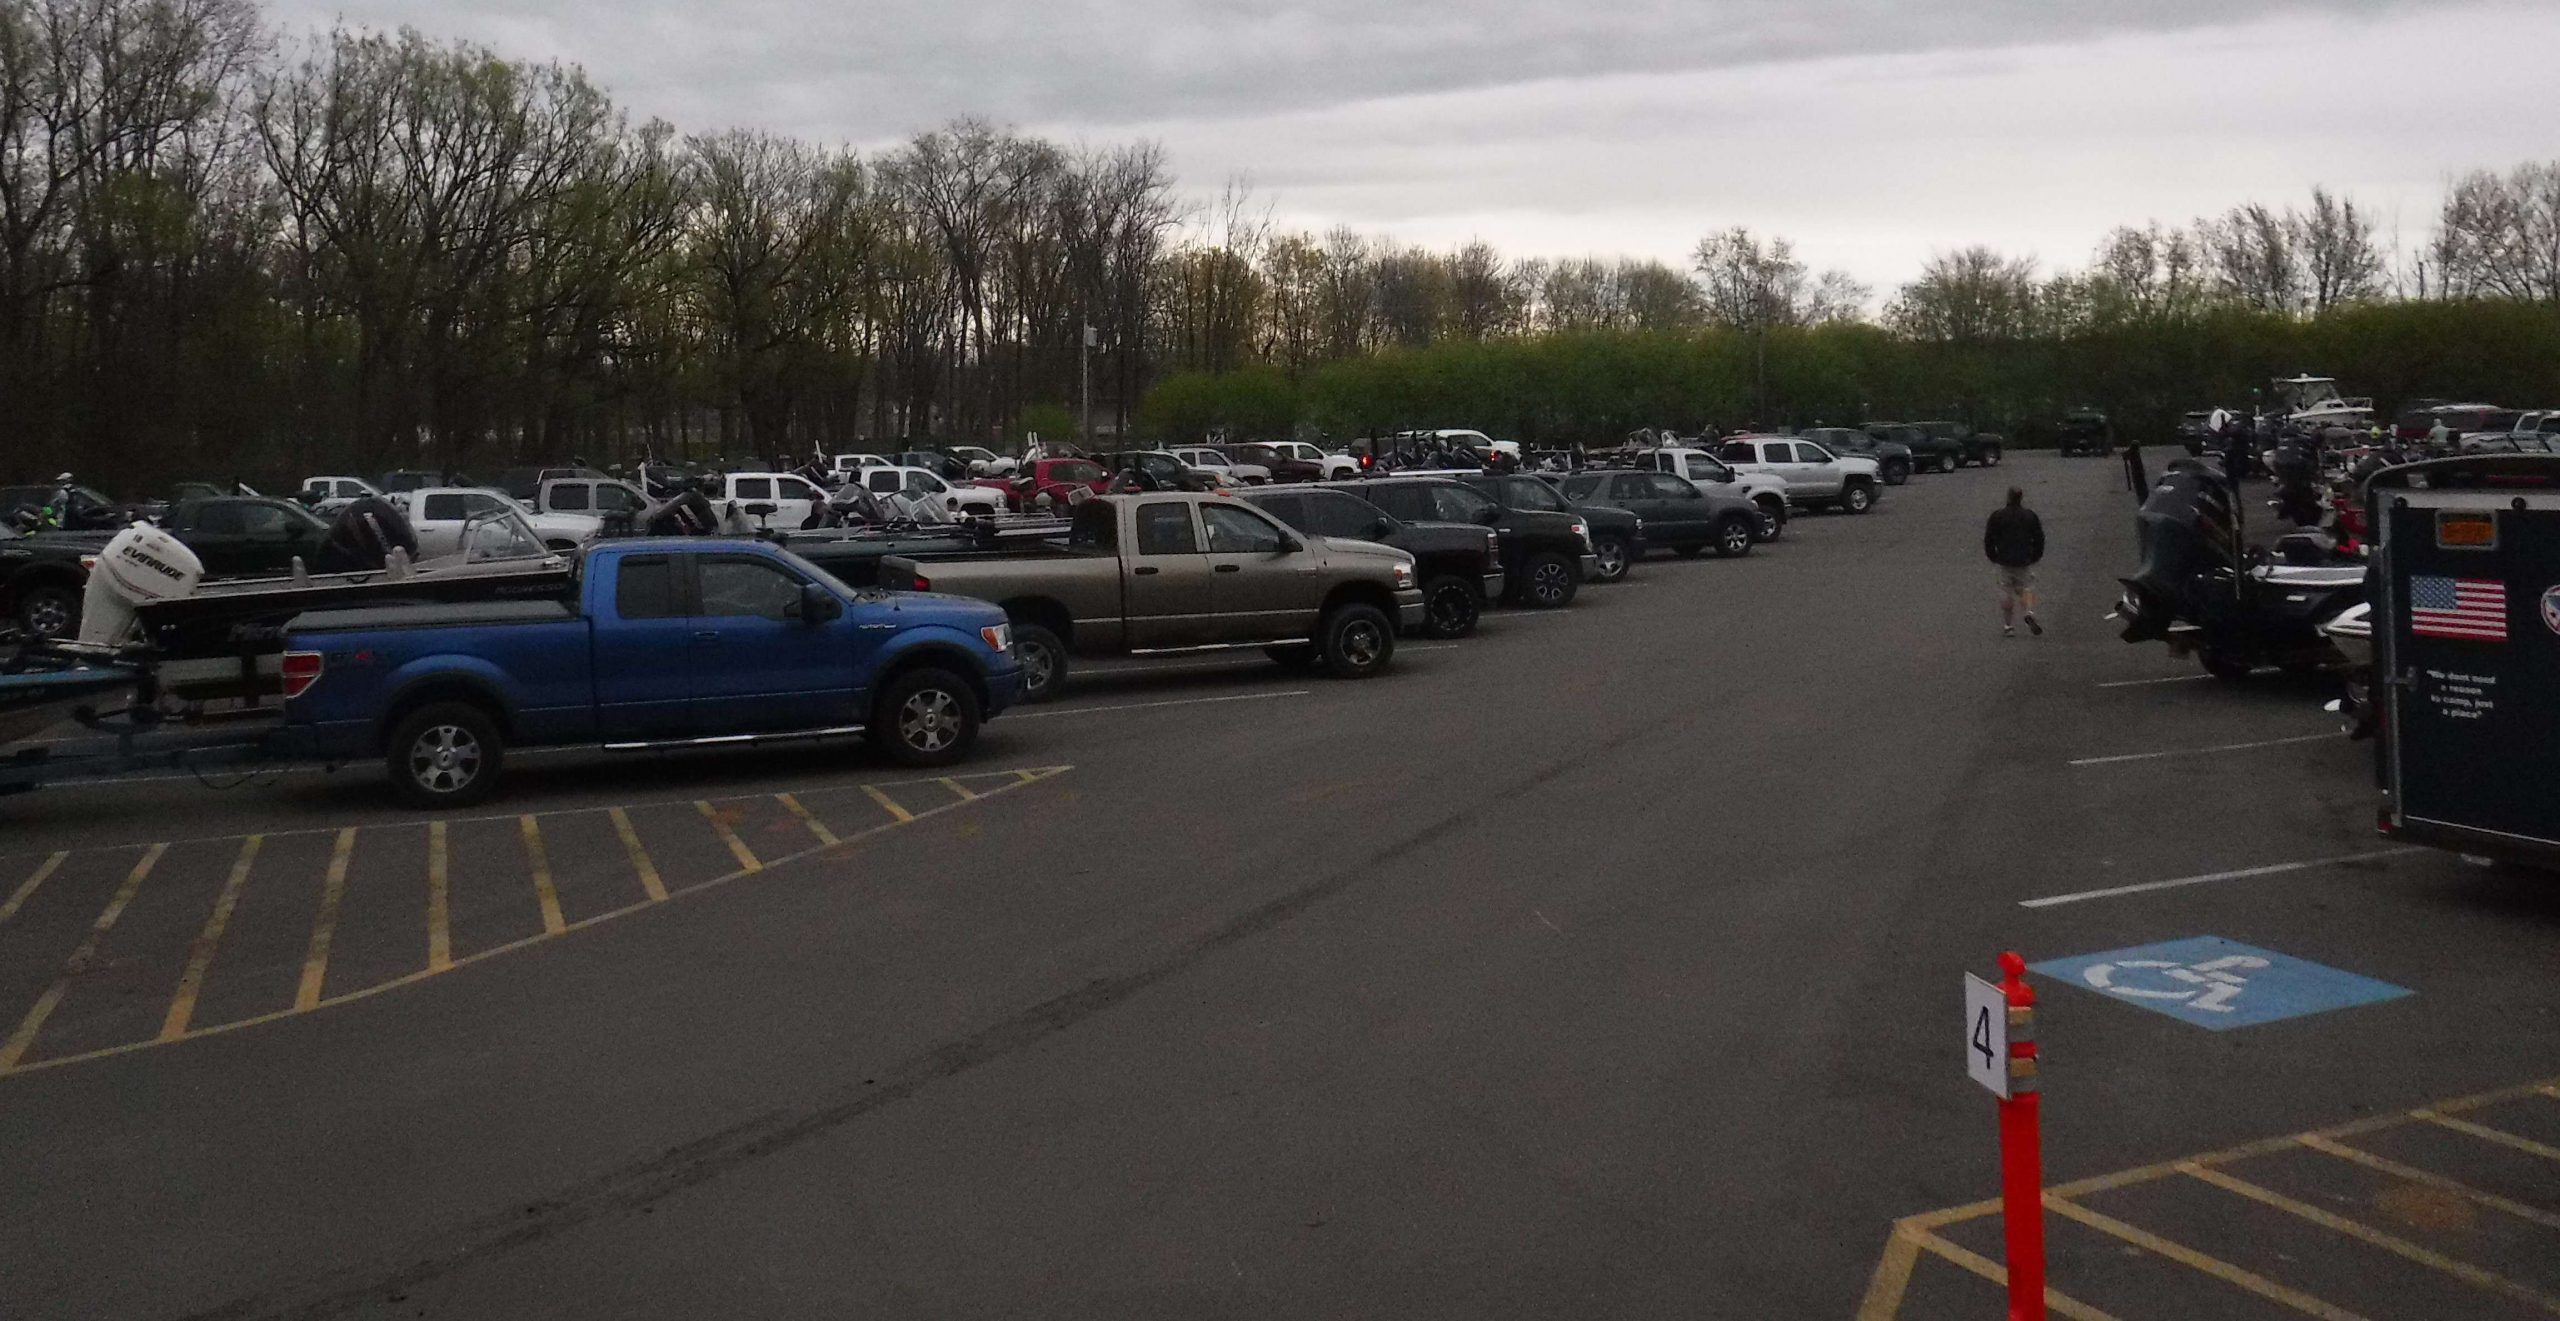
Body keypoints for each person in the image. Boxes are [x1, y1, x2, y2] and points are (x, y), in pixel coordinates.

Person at [1983, 487, 2045, 637]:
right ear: (2021, 498)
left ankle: (2008, 625)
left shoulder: (1998, 516)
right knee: (2026, 588)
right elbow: (2039, 538)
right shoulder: (2029, 516)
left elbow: (1989, 538)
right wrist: (2035, 555)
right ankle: (2028, 611)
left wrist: (1993, 555)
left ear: (2008, 497)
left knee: (2006, 591)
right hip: (2024, 559)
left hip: (2004, 559)